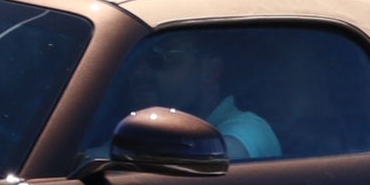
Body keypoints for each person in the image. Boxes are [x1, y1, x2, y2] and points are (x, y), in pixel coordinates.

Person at [118, 36, 281, 160]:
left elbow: (221, 156)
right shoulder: (138, 131)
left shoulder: (250, 131)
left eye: (158, 57)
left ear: (211, 71)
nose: (138, 71)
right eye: (132, 60)